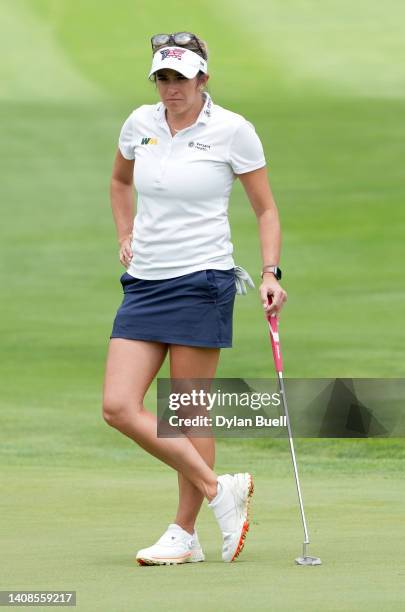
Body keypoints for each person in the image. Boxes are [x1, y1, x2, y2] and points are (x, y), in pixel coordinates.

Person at [102, 32, 287, 565]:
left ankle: (184, 535)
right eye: (163, 77)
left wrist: (270, 272)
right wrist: (125, 233)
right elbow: (119, 182)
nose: (171, 88)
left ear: (203, 78)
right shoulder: (140, 124)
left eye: (181, 78)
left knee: (186, 413)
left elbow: (266, 209)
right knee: (118, 406)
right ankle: (218, 489)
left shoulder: (233, 131)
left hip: (202, 280)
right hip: (144, 282)